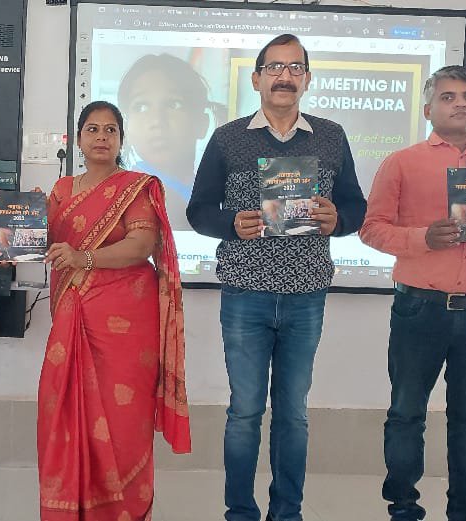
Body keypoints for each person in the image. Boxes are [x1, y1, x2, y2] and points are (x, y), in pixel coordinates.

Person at [186, 34, 367, 521]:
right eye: (274, 67)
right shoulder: (227, 138)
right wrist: (231, 223)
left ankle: (287, 513)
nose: (284, 77)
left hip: (307, 294)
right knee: (244, 412)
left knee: (294, 414)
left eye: (294, 68)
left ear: (307, 79)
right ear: (256, 78)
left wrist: (338, 220)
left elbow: (356, 207)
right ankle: (240, 513)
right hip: (245, 293)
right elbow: (198, 210)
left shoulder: (331, 136)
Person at [359, 65, 466, 521]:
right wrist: (422, 238)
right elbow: (371, 229)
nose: (460, 103)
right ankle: (403, 506)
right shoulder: (401, 162)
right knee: (406, 413)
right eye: (448, 96)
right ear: (427, 110)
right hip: (420, 307)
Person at [36, 100, 190, 521]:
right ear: (78, 139)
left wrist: (84, 258)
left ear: (121, 140)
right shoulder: (62, 191)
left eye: (110, 130)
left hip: (126, 322)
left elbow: (141, 245)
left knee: (124, 422)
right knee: (64, 410)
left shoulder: (137, 187)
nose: (101, 137)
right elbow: (43, 243)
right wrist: (19, 226)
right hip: (74, 315)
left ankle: (123, 510)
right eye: (92, 129)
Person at [118, 53, 212, 230]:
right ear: (126, 128)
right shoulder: (123, 195)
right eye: (141, 106)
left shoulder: (210, 190)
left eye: (174, 104)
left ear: (201, 123)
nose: (157, 120)